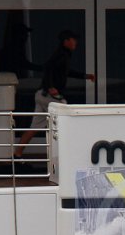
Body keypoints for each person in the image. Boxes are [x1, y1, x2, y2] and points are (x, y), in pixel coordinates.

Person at [15, 29, 94, 158]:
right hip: (48, 95)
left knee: (35, 126)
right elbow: (48, 69)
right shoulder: (61, 54)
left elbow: (66, 71)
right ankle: (69, 154)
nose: (75, 42)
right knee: (66, 115)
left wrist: (85, 76)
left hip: (41, 94)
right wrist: (50, 86)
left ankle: (17, 153)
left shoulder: (64, 55)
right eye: (73, 40)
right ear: (66, 41)